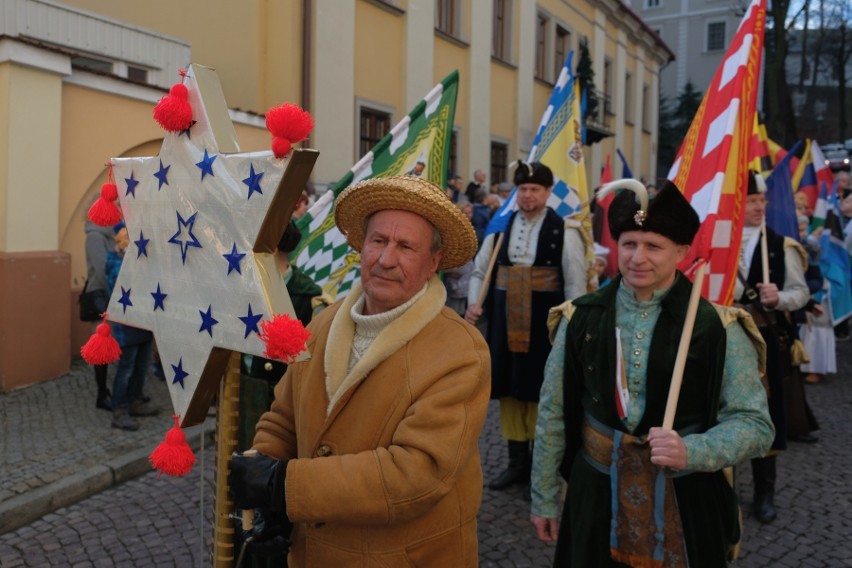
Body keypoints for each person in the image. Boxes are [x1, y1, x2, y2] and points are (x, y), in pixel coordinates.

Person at [229, 175, 491, 566]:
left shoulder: (461, 352)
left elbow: (417, 474)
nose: (386, 259)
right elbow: (283, 418)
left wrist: (283, 485)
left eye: (405, 246)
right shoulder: (322, 324)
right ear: (361, 247)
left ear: (433, 263)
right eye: (379, 241)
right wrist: (267, 497)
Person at [530, 179, 774, 567]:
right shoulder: (579, 317)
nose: (637, 258)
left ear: (681, 251)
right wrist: (543, 496)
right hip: (595, 495)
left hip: (686, 497)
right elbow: (552, 413)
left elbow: (756, 426)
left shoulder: (718, 327)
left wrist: (691, 450)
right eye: (629, 244)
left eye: (653, 246)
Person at [464, 161, 587, 493]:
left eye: (535, 189)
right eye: (522, 189)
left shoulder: (566, 231)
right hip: (505, 320)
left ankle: (540, 464)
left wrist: (572, 327)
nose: (528, 195)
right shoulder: (500, 227)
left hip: (544, 324)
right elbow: (480, 272)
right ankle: (516, 463)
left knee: (540, 388)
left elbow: (576, 284)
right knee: (508, 388)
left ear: (547, 193)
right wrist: (474, 303)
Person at [735, 171, 816, 524]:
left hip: (765, 340)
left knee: (764, 413)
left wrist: (778, 297)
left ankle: (764, 491)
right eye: (752, 200)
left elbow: (802, 293)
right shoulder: (714, 241)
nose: (759, 207)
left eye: (761, 201)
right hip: (722, 337)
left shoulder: (782, 246)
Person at [105, 223, 159, 430]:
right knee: (126, 368)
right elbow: (117, 285)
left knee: (141, 366)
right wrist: (128, 257)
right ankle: (119, 409)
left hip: (143, 321)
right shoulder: (115, 260)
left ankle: (135, 399)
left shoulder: (141, 259)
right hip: (126, 324)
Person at [84, 218, 115, 411]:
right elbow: (102, 269)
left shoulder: (108, 234)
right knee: (101, 348)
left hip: (111, 295)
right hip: (102, 296)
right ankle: (101, 394)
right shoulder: (95, 236)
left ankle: (107, 392)